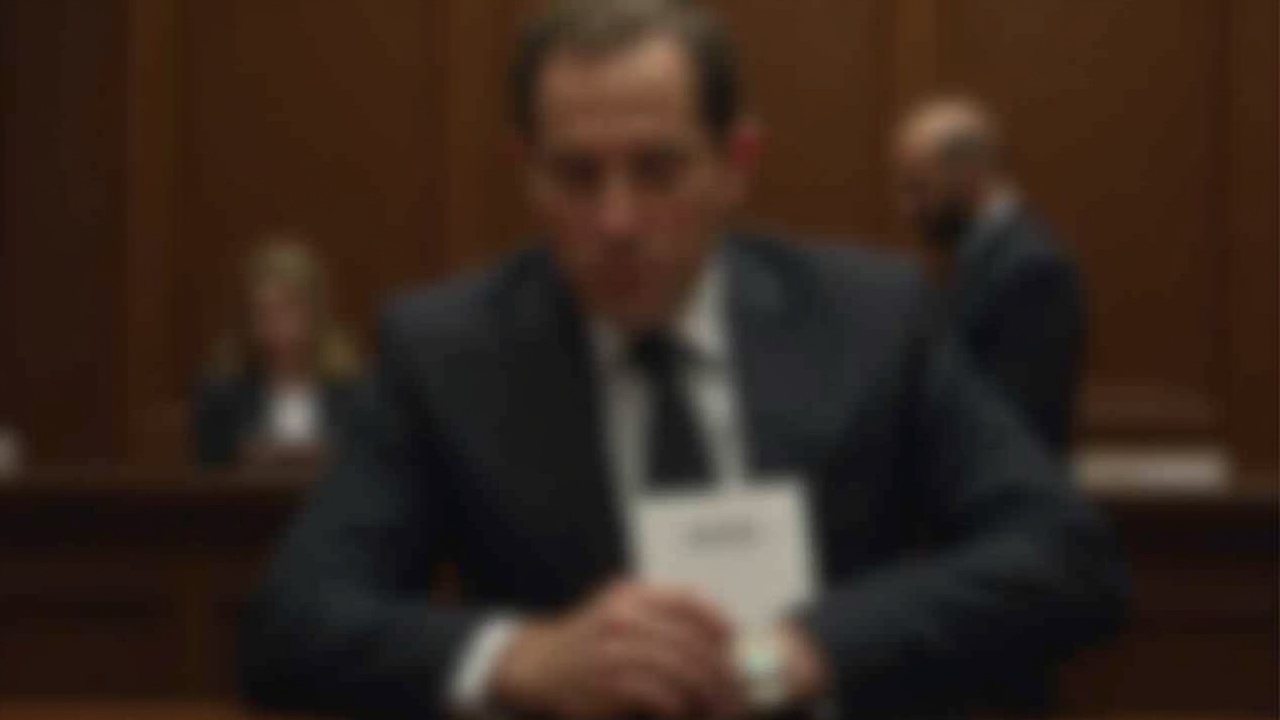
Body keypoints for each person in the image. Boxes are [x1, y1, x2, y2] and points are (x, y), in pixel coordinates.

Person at [237, 2, 1126, 719]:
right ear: (526, 172)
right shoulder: (449, 351)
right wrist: (520, 658)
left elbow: (1065, 556)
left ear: (736, 163)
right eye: (576, 176)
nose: (616, 220)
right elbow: (289, 624)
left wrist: (809, 649)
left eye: (658, 170)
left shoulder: (873, 319)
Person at [893, 97, 1085, 453]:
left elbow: (1021, 421)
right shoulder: (978, 255)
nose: (907, 208)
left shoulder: (1033, 270)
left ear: (969, 175)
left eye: (919, 187)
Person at [192, 236, 365, 470]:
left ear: (316, 313)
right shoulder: (223, 390)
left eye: (288, 309)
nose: (275, 324)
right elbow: (207, 469)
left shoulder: (354, 387)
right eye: (263, 312)